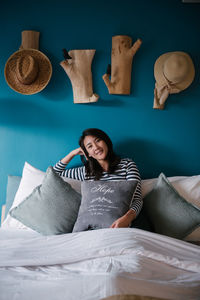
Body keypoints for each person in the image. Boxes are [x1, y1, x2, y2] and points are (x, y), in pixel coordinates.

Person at [53, 128, 142, 228]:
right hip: (90, 230)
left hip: (119, 228)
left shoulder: (127, 165)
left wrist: (126, 219)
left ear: (106, 141)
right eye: (90, 146)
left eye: (98, 141)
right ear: (88, 153)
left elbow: (137, 199)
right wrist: (72, 154)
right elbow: (53, 175)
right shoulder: (85, 171)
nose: (96, 147)